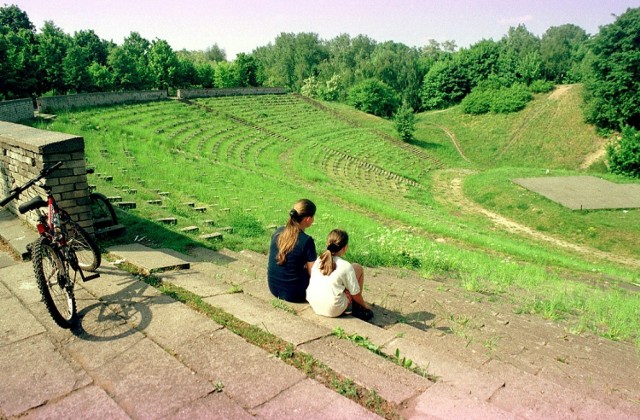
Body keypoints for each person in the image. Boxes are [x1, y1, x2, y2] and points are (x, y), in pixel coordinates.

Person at [306, 229, 373, 321]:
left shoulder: (319, 260)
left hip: (314, 304)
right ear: (345, 247)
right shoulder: (345, 266)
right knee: (358, 268)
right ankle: (358, 307)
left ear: (327, 243)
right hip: (333, 309)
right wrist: (365, 305)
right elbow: (355, 294)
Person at [267, 199, 317, 303]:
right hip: (295, 294)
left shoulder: (278, 231)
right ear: (308, 219)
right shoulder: (306, 241)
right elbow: (314, 274)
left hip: (274, 288)